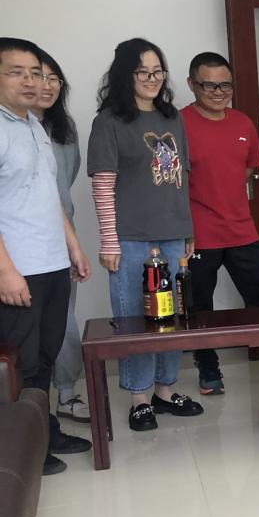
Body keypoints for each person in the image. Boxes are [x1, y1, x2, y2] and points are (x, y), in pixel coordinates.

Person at [87, 37, 204, 431]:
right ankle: (139, 398)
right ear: (126, 75)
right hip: (130, 237)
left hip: (172, 233)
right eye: (143, 72)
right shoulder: (109, 121)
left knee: (173, 315)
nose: (152, 79)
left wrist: (187, 229)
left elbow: (181, 179)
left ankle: (165, 391)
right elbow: (103, 185)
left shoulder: (172, 118)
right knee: (135, 318)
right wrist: (108, 240)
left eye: (158, 71)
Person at [0, 37, 93, 474]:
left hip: (52, 263)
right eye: (16, 72)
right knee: (23, 361)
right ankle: (22, 451)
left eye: (35, 73)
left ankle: (43, 433)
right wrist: (5, 271)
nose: (31, 81)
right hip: (19, 271)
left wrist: (72, 246)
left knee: (47, 355)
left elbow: (49, 195)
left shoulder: (34, 125)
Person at [181, 52, 259, 394]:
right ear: (192, 84)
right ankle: (209, 369)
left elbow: (249, 167)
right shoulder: (178, 124)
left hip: (241, 229)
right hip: (198, 234)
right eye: (209, 85)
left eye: (226, 85)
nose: (219, 92)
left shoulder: (242, 123)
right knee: (199, 307)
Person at [32, 48, 90, 425]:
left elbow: (65, 182)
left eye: (55, 79)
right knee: (28, 326)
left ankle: (66, 393)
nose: (48, 85)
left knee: (64, 318)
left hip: (62, 235)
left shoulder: (63, 128)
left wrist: (71, 241)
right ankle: (30, 406)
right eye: (40, 77)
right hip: (22, 244)